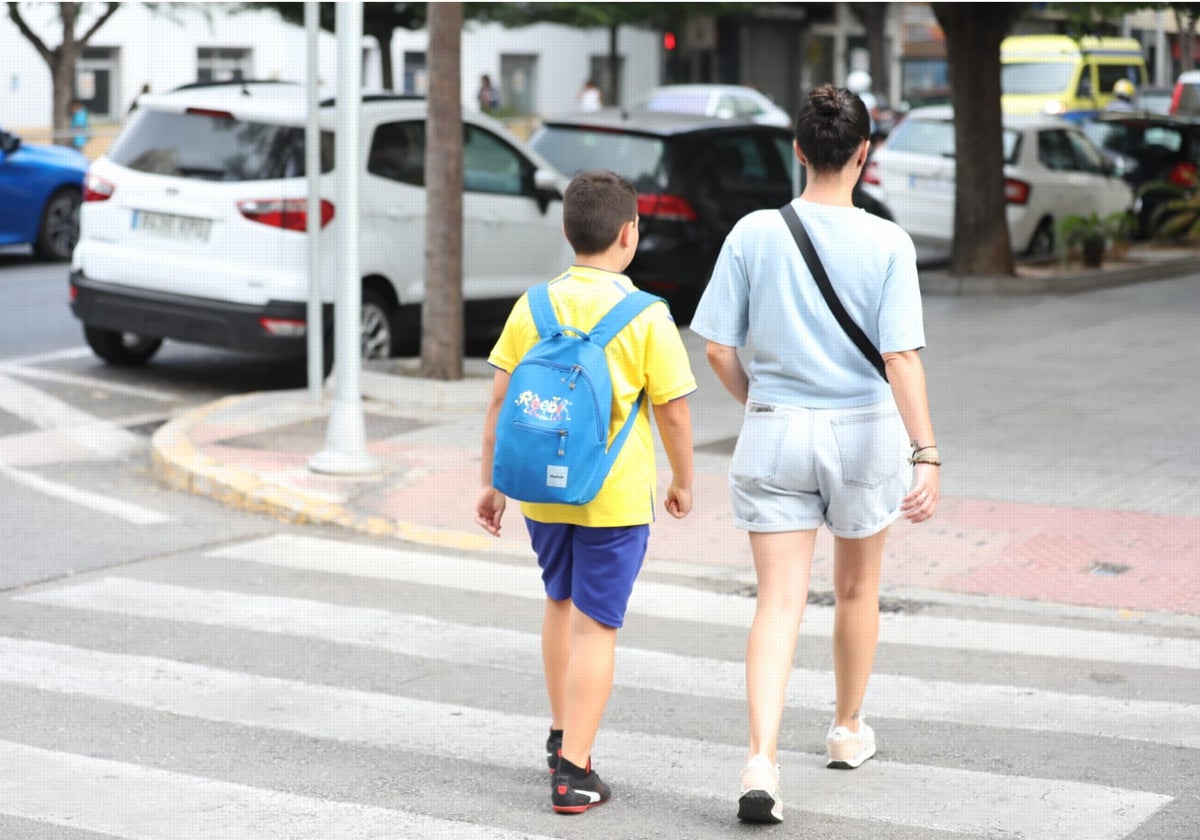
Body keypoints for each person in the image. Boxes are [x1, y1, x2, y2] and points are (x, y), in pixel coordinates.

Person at [689, 83, 940, 825]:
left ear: (797, 151)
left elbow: (715, 349)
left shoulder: (754, 232)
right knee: (858, 591)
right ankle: (845, 728)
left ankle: (761, 758)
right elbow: (902, 359)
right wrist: (926, 452)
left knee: (778, 601)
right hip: (864, 431)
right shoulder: (889, 242)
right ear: (865, 154)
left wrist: (761, 405)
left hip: (775, 428)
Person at [475, 170, 697, 815]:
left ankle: (559, 732)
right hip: (614, 497)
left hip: (538, 491)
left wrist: (491, 482)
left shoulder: (534, 305)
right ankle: (574, 771)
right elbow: (675, 412)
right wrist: (684, 479)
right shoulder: (647, 316)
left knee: (558, 601)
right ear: (630, 234)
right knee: (598, 624)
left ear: (568, 231)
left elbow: (498, 397)